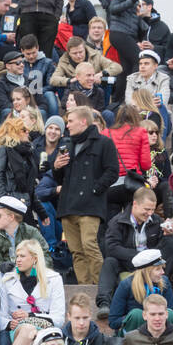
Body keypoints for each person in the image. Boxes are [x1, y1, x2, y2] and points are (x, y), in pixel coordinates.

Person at [52, 105, 119, 285]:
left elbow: (113, 171)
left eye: (71, 121)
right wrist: (56, 166)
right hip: (68, 205)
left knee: (90, 246)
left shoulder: (104, 142)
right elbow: (59, 177)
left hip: (91, 205)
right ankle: (84, 288)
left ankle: (99, 288)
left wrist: (95, 189)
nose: (67, 126)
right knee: (76, 251)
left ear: (83, 121)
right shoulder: (66, 144)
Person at [108, 249, 173, 335]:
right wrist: (144, 317)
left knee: (170, 313)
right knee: (136, 314)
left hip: (160, 331)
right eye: (158, 269)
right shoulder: (126, 285)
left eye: (162, 268)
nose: (162, 272)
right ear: (146, 271)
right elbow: (113, 321)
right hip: (134, 333)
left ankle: (172, 343)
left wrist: (155, 317)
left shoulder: (164, 281)